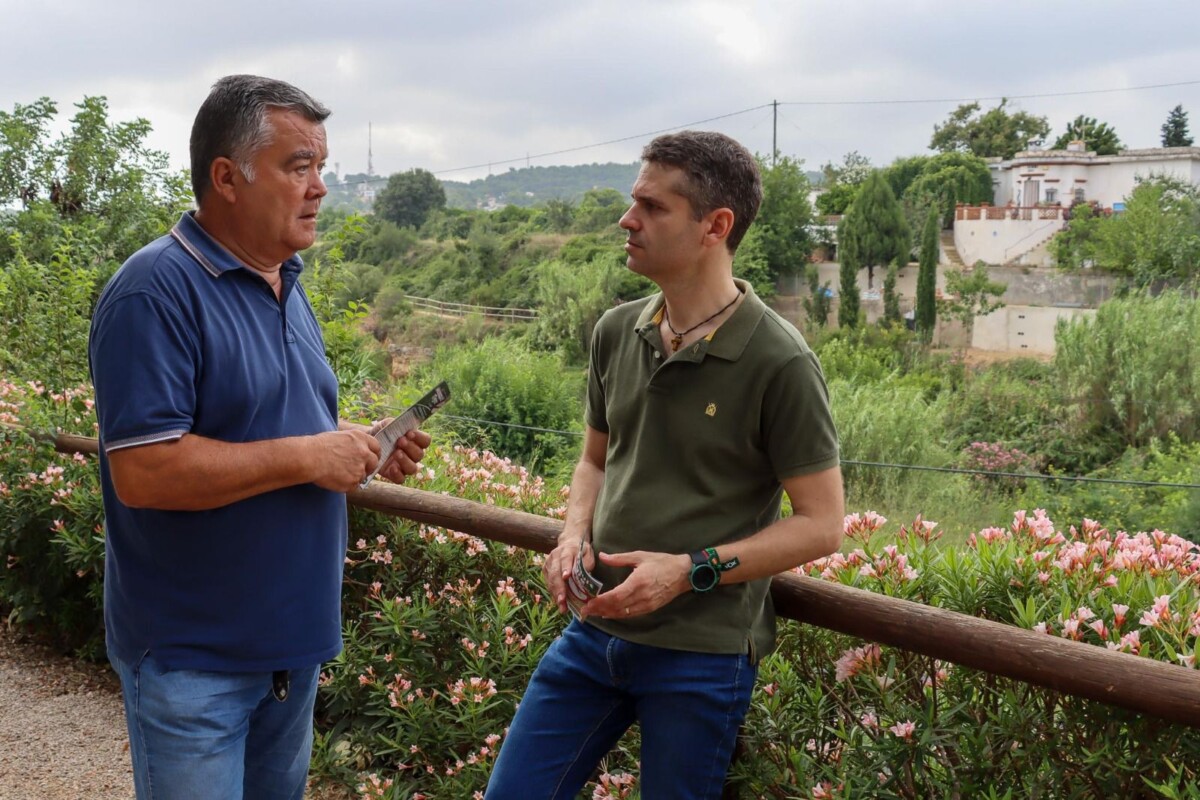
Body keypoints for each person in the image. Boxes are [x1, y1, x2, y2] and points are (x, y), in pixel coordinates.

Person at [87, 75, 429, 800]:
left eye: (321, 167)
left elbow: (272, 420)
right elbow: (144, 470)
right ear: (226, 178)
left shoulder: (286, 283)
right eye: (298, 166)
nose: (320, 188)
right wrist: (310, 455)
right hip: (194, 663)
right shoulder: (153, 292)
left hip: (291, 654)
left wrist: (358, 444)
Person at [485, 131, 844, 799]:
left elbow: (822, 525)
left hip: (700, 657)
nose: (628, 220)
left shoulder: (781, 361)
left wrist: (688, 571)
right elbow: (595, 461)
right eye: (634, 202)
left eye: (653, 207)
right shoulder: (616, 331)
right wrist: (571, 536)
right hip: (592, 632)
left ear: (715, 226)